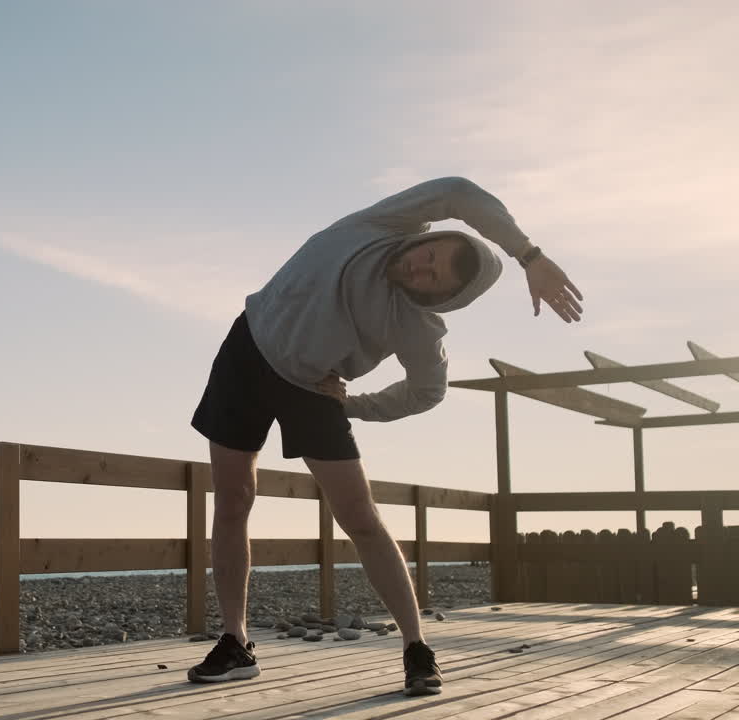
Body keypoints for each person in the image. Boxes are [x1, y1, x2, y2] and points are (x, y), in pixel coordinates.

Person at [185, 176, 583, 696]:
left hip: (311, 388)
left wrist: (353, 404)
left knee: (360, 518)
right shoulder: (379, 225)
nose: (421, 266)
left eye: (434, 277)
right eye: (431, 253)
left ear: (442, 298)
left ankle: (417, 648)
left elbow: (426, 391)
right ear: (426, 237)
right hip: (246, 351)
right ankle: (235, 641)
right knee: (233, 500)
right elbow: (459, 192)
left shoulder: (417, 326)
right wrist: (530, 256)